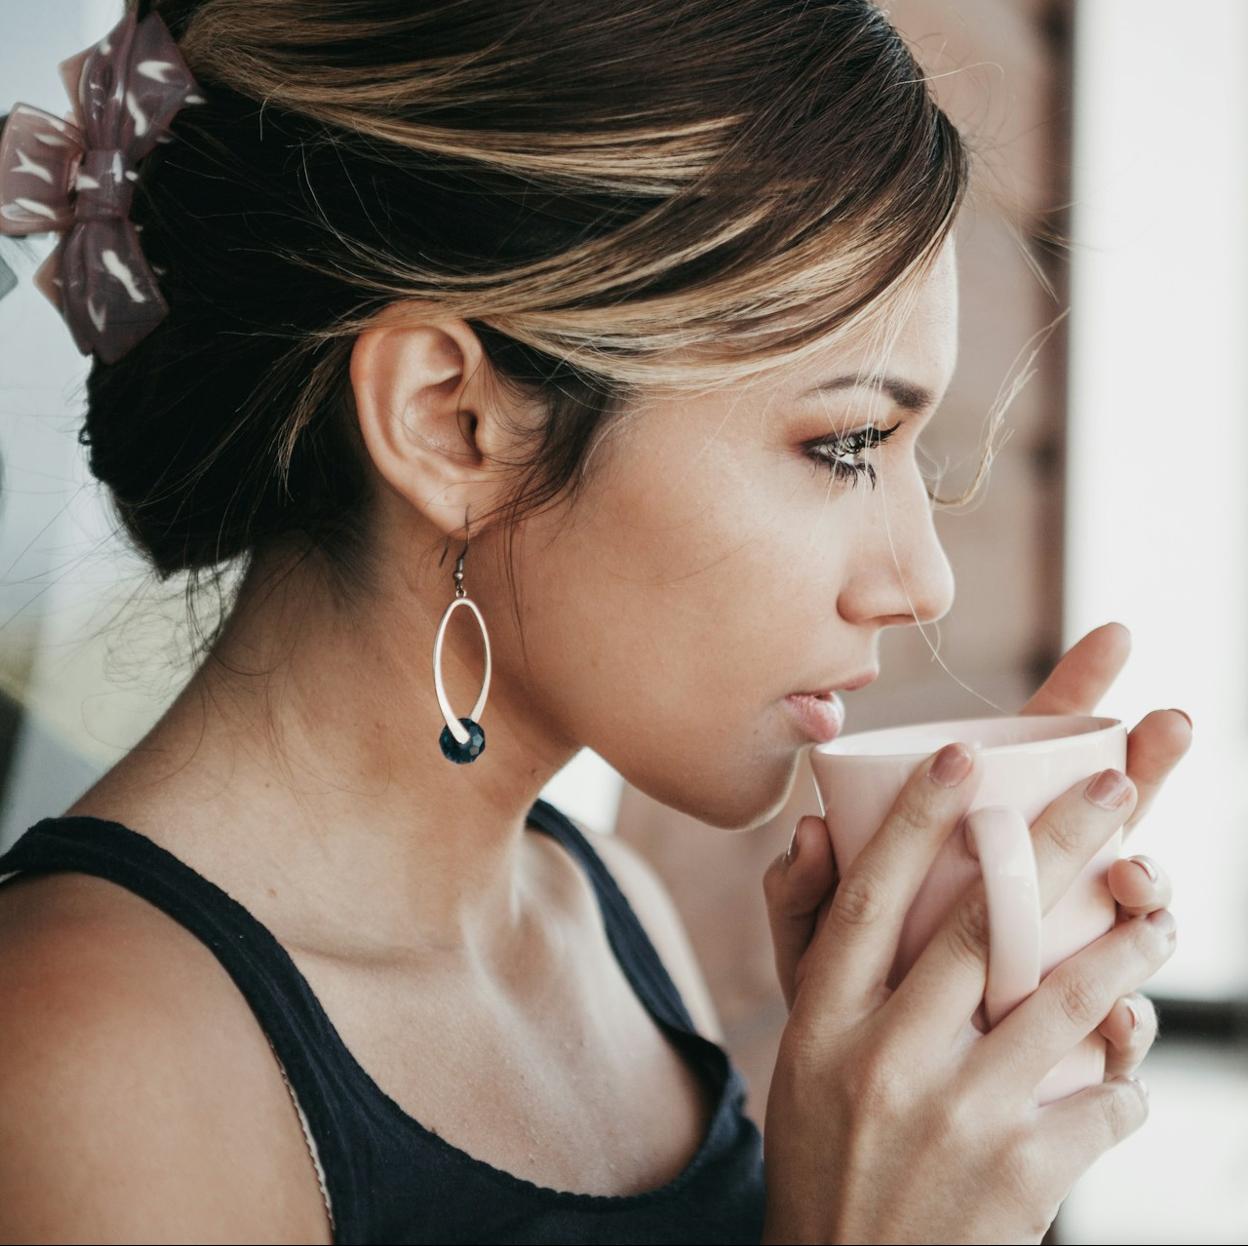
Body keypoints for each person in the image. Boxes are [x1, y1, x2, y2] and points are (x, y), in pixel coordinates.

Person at [0, 1, 1190, 1242]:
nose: (923, 580)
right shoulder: (91, 1059)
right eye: (844, 444)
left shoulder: (608, 917)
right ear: (450, 423)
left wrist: (913, 1115)